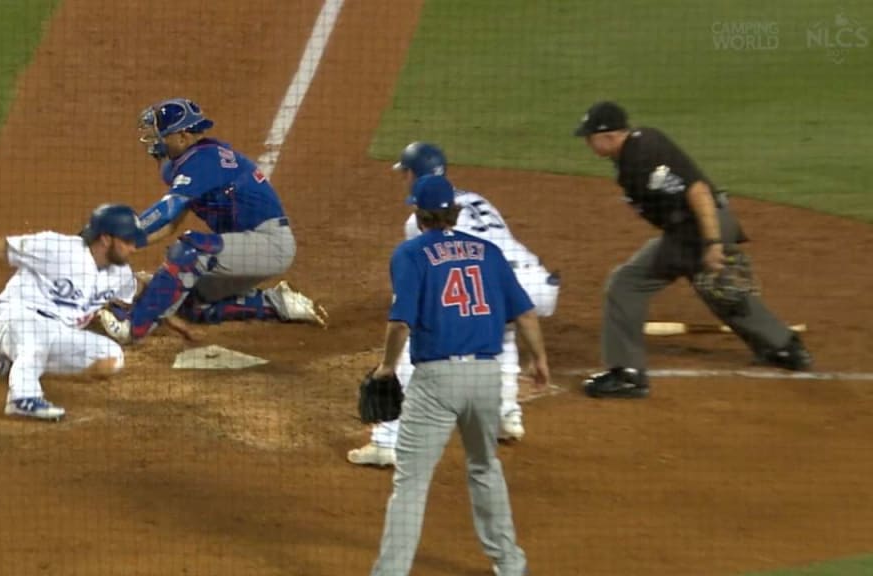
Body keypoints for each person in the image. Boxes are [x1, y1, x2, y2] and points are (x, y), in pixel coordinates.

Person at [368, 173, 549, 576]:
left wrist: (385, 368)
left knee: (411, 482)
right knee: (485, 467)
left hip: (437, 382)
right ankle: (511, 564)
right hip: (487, 376)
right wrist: (539, 360)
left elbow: (400, 324)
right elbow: (524, 312)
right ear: (453, 212)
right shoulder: (487, 251)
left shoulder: (410, 254)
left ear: (419, 213)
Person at [574, 101, 812, 399]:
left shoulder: (640, 155)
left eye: (589, 137)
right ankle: (785, 347)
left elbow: (697, 191)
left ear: (608, 135)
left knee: (626, 284)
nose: (586, 142)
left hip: (698, 229)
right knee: (716, 289)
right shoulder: (639, 147)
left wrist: (712, 243)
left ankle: (626, 374)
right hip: (696, 229)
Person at [348, 142, 560, 467]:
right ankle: (505, 416)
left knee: (414, 340)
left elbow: (426, 278)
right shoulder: (476, 200)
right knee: (502, 333)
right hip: (536, 283)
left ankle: (387, 440)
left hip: (493, 284)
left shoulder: (417, 221)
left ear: (410, 174)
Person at [97, 98, 326, 344]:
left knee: (190, 250)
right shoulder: (180, 165)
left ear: (183, 136)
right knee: (190, 304)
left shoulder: (205, 161)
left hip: (270, 245)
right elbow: (170, 224)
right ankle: (278, 303)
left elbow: (166, 210)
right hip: (244, 245)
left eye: (160, 134)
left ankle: (132, 329)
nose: (155, 141)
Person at [0, 204, 147, 420]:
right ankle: (22, 398)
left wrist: (178, 320)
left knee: (111, 359)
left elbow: (136, 292)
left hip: (57, 334)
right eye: (127, 241)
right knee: (36, 337)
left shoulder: (120, 274)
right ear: (105, 239)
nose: (133, 248)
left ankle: (12, 360)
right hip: (17, 316)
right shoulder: (59, 249)